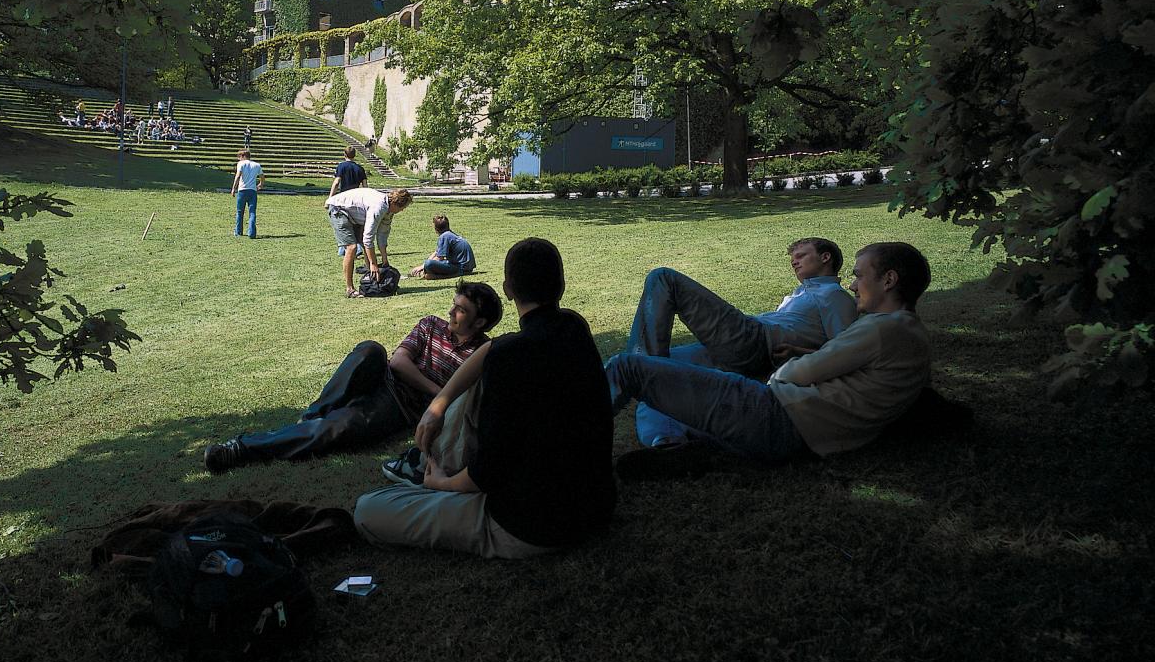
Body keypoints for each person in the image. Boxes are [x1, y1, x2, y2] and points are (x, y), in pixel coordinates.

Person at [353, 238, 616, 559]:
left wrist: (441, 486)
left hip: (529, 525)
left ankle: (430, 472)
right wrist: (439, 403)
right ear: (560, 286)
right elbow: (494, 348)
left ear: (507, 289)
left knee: (369, 510)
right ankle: (429, 463)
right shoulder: (574, 326)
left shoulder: (508, 360)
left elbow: (486, 473)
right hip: (597, 505)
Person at [607, 242, 933, 478]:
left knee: (629, 366)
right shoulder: (912, 336)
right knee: (661, 375)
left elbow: (801, 372)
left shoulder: (881, 329)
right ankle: (673, 447)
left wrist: (772, 377)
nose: (852, 284)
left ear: (888, 281)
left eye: (859, 276)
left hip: (775, 414)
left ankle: (563, 433)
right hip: (799, 439)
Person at [202, 282, 504, 473]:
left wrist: (436, 397)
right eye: (453, 304)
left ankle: (240, 449)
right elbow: (398, 362)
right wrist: (441, 393)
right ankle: (311, 414)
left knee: (337, 428)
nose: (451, 311)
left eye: (461, 310)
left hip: (398, 408)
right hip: (382, 377)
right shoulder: (431, 325)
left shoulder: (480, 355)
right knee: (371, 350)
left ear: (479, 322)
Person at [621, 238, 857, 448]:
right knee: (656, 366)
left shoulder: (834, 296)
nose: (794, 262)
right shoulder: (800, 294)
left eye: (801, 256)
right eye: (792, 258)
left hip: (755, 342)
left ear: (825, 257)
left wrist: (798, 352)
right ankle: (666, 442)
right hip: (745, 346)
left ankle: (620, 382)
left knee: (663, 278)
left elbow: (845, 351)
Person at [325, 186, 413, 297]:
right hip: (339, 209)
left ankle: (373, 280)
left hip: (355, 214)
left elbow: (382, 235)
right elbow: (368, 238)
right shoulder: (379, 207)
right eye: (402, 207)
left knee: (363, 244)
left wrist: (385, 262)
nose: (402, 210)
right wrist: (373, 264)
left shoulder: (389, 211)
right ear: (396, 204)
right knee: (352, 247)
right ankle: (350, 289)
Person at [408, 214, 476, 279]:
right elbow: (437, 252)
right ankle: (428, 273)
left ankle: (434, 276)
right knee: (428, 263)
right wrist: (423, 265)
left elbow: (439, 258)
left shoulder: (444, 236)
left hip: (461, 268)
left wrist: (423, 266)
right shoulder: (450, 234)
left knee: (429, 264)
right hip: (466, 267)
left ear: (436, 228)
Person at [231, 149, 264, 238]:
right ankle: (252, 233)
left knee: (239, 211)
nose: (238, 159)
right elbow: (262, 176)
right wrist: (260, 184)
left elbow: (238, 176)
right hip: (252, 191)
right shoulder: (257, 165)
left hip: (242, 190)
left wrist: (233, 188)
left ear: (243, 156)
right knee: (252, 212)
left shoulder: (241, 164)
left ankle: (238, 232)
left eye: (239, 157)